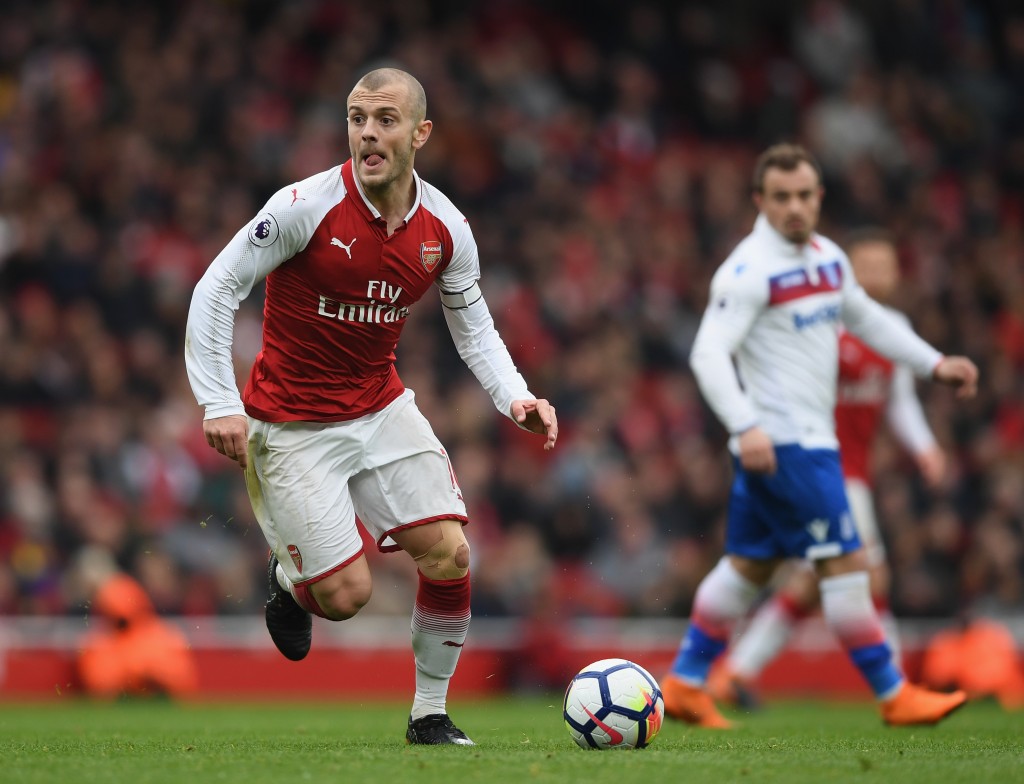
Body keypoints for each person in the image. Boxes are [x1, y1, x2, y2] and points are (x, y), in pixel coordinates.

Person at [184, 68, 558, 745]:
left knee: (450, 555)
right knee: (347, 599)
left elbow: (472, 325)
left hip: (380, 407)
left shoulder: (446, 227)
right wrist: (218, 401)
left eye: (385, 120)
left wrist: (516, 396)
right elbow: (215, 289)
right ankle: (290, 583)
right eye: (357, 119)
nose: (367, 133)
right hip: (291, 426)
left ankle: (430, 715)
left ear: (420, 133)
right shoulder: (304, 206)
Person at [662, 143, 977, 729]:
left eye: (804, 196)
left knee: (748, 567)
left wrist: (935, 364)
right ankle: (893, 693)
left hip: (795, 446)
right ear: (760, 201)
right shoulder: (748, 270)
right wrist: (745, 424)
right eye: (781, 197)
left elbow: (869, 320)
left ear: (819, 197)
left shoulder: (829, 258)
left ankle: (684, 682)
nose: (794, 208)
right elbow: (708, 352)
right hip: (789, 446)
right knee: (846, 563)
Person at [707, 228, 946, 707]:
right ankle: (897, 687)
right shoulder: (820, 323)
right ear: (846, 272)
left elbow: (898, 399)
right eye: (867, 266)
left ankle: (731, 674)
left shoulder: (891, 327)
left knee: (812, 581)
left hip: (851, 470)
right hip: (819, 466)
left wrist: (924, 446)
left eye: (885, 265)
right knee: (866, 574)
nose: (877, 275)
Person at [77, 572, 199, 699]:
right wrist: (139, 675)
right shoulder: (98, 641)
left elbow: (183, 682)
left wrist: (151, 676)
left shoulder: (163, 634)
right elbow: (99, 687)